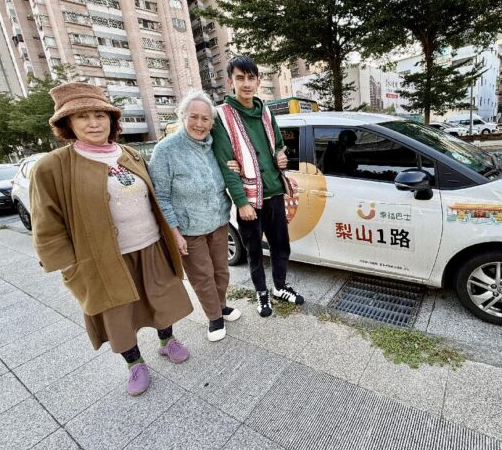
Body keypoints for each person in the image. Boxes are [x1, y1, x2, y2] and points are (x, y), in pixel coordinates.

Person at [30, 82, 193, 397]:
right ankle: (135, 364)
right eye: (83, 117)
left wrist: (171, 233)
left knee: (162, 299)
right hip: (103, 259)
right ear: (67, 124)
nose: (93, 123)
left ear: (112, 120)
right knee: (118, 314)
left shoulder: (129, 154)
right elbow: (46, 222)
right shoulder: (53, 167)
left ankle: (166, 340)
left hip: (151, 246)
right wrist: (70, 267)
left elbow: (154, 198)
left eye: (100, 115)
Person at [212, 55, 305, 317]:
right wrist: (241, 203)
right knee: (254, 251)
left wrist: (280, 156)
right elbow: (226, 164)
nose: (246, 83)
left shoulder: (265, 110)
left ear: (258, 81)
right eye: (240, 78)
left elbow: (278, 145)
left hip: (274, 192)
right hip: (250, 200)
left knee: (281, 245)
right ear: (230, 82)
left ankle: (280, 287)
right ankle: (261, 293)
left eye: (251, 78)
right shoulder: (221, 116)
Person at [149, 89, 241, 342]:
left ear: (212, 123)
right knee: (202, 276)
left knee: (221, 271)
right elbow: (160, 197)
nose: (199, 124)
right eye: (194, 117)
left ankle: (221, 305)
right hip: (189, 228)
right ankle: (214, 317)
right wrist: (174, 232)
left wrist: (234, 165)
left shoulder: (214, 145)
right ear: (183, 117)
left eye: (205, 118)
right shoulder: (166, 150)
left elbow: (230, 171)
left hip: (218, 221)